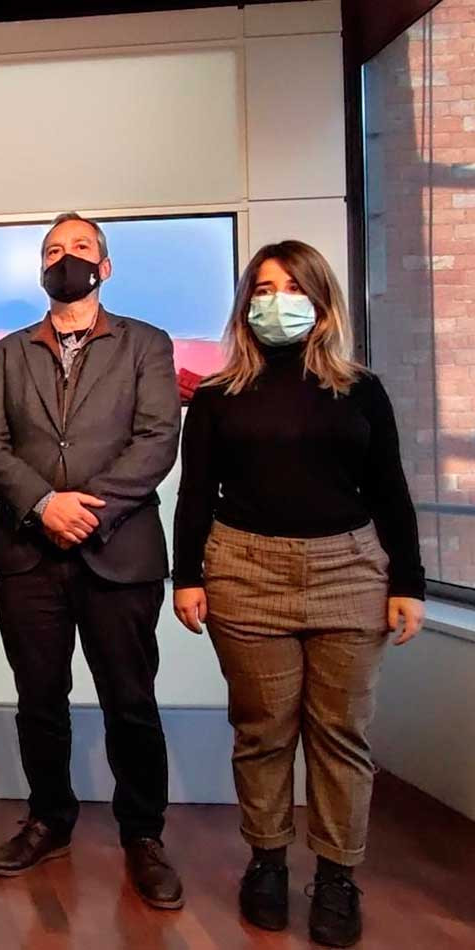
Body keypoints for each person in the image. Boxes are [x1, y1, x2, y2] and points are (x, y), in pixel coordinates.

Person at [172, 240, 425, 948]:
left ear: (319, 301)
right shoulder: (218, 398)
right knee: (262, 732)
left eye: (289, 287)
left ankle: (339, 876)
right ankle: (268, 861)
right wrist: (185, 576)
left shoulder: (361, 389)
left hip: (350, 572)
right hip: (244, 573)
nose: (272, 300)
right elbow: (194, 496)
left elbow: (390, 491)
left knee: (341, 736)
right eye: (262, 288)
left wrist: (408, 581)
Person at [0, 213, 184, 909]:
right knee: (39, 701)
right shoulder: (9, 353)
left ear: (106, 266)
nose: (68, 259)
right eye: (54, 251)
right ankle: (49, 818)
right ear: (40, 268)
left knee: (131, 702)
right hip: (29, 554)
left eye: (81, 249)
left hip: (119, 551)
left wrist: (84, 508)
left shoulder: (146, 344)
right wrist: (43, 505)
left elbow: (156, 439)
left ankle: (143, 835)